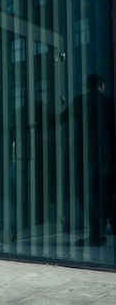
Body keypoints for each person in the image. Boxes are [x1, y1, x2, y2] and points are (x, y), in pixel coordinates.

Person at [60, 73, 115, 247]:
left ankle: (97, 230)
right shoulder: (109, 103)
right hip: (105, 155)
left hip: (86, 153)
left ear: (87, 85)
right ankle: (97, 233)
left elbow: (62, 118)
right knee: (100, 191)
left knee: (82, 189)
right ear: (102, 85)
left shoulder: (80, 101)